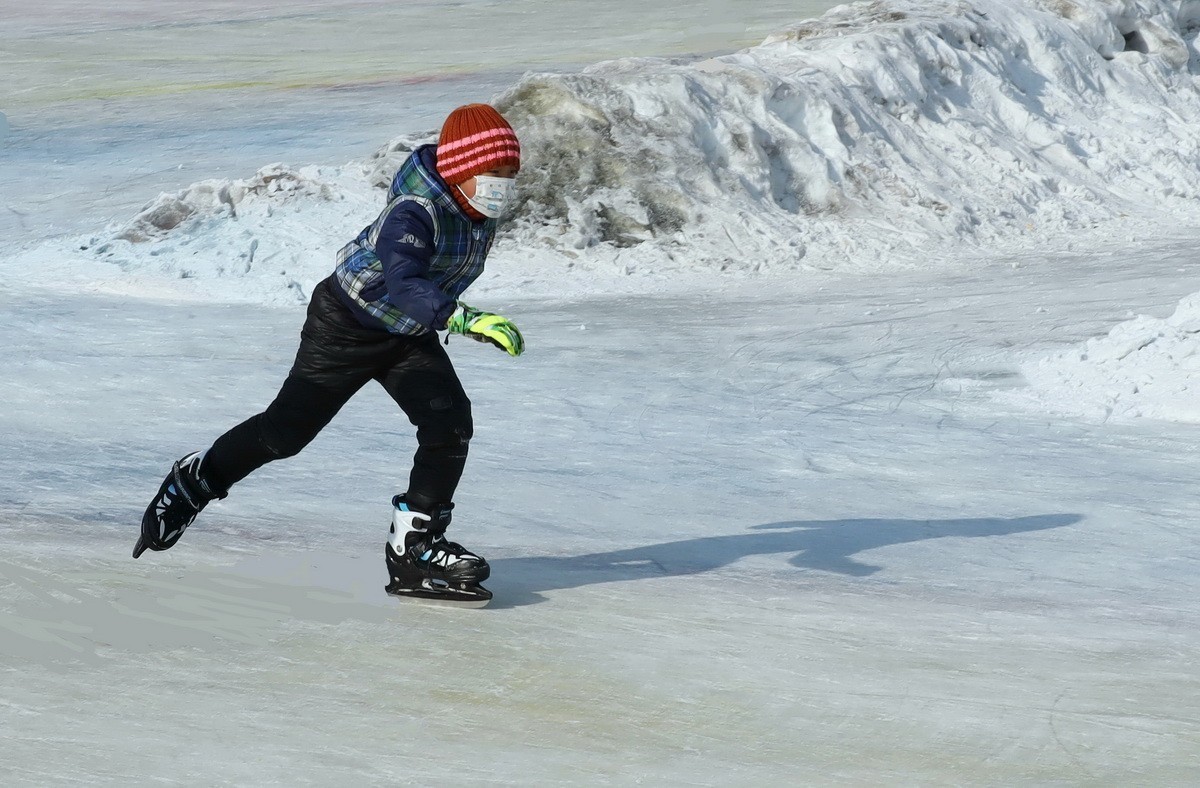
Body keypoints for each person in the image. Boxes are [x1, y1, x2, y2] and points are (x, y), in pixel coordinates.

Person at [134, 103, 525, 605]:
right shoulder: (414, 211)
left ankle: (415, 549)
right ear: (460, 170)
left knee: (449, 423)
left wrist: (445, 316)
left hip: (406, 334)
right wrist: (465, 319)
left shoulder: (474, 210)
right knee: (284, 435)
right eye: (493, 173)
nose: (503, 185)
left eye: (510, 174)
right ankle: (194, 481)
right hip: (345, 327)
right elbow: (405, 283)